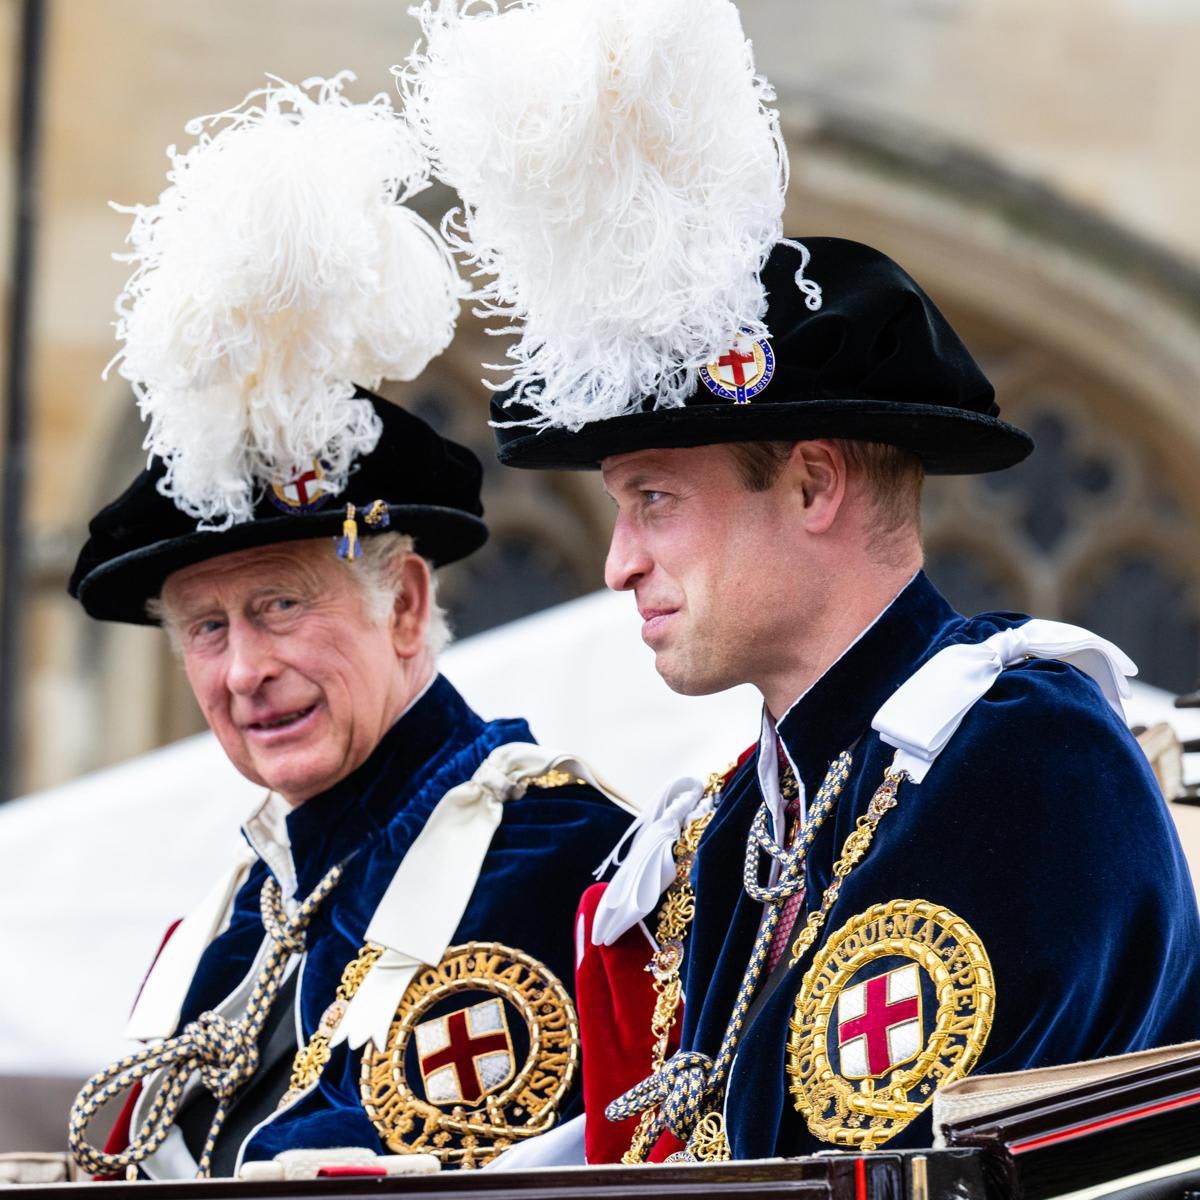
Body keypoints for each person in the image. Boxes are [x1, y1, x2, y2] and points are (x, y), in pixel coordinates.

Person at [399, 0, 1200, 1163]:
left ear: (815, 482)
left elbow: (865, 1155)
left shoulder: (1019, 752)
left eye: (657, 502)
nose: (620, 561)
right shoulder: (735, 822)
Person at [62, 74, 632, 1180]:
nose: (244, 670)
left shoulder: (548, 853)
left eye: (280, 605)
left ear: (407, 605)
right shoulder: (242, 906)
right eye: (206, 629)